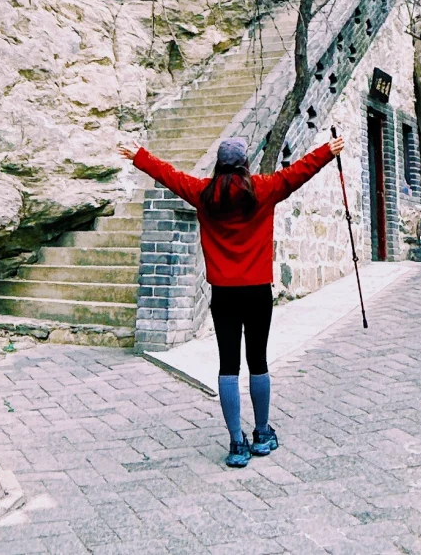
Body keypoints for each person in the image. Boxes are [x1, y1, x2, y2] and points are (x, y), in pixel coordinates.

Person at [118, 133, 343, 467]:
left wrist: (139, 155)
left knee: (228, 366)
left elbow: (168, 175)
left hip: (223, 293)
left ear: (219, 165)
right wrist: (328, 150)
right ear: (245, 164)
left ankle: (237, 443)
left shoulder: (202, 194)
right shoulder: (264, 189)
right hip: (257, 292)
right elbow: (299, 171)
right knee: (258, 361)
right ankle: (262, 434)